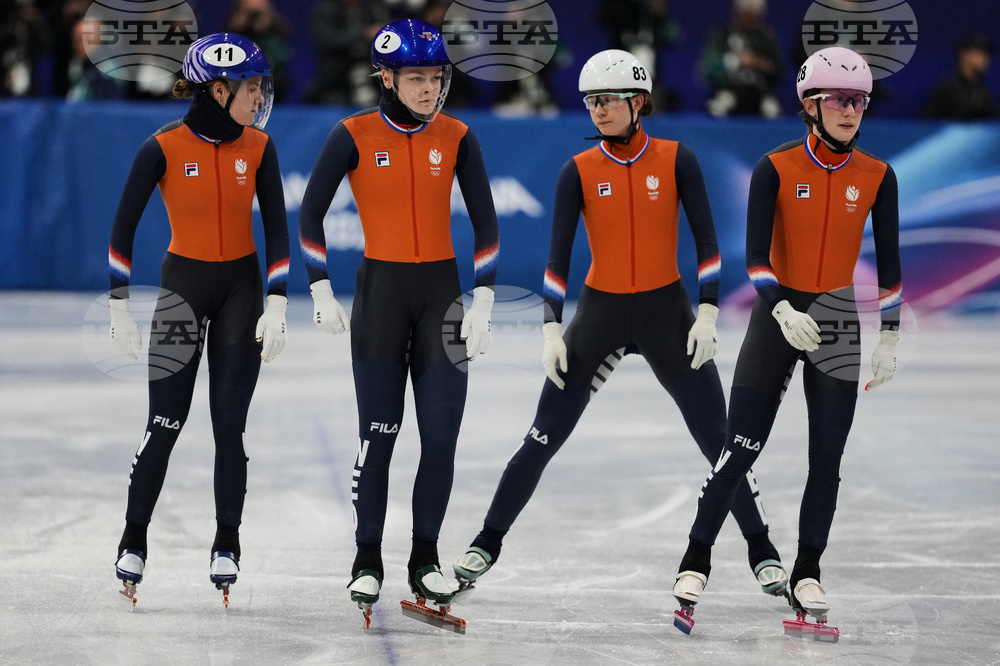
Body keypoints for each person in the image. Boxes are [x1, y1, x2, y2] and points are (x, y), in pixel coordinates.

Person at [452, 49, 787, 601]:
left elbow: (707, 244)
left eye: (606, 100)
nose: (597, 111)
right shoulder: (577, 171)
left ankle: (763, 551)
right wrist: (551, 328)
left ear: (638, 102)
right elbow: (557, 260)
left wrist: (706, 310)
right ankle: (486, 542)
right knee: (541, 437)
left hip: (669, 317)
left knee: (722, 444)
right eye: (589, 101)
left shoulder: (678, 159)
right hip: (599, 317)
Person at [672, 46, 902, 631]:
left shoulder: (878, 175)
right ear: (810, 105)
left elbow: (893, 267)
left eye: (859, 101)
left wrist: (891, 336)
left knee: (827, 458)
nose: (851, 112)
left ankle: (807, 570)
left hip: (839, 321)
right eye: (839, 101)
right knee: (739, 448)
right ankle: (696, 558)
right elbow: (752, 258)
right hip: (778, 320)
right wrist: (779, 309)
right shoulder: (775, 168)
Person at [297, 18, 500, 620]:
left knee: (440, 438)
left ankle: (424, 557)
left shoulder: (459, 135)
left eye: (436, 76)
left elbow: (486, 225)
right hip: (380, 299)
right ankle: (366, 559)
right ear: (385, 77)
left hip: (442, 301)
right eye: (416, 77)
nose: (429, 88)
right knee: (378, 437)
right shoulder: (352, 134)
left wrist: (484, 295)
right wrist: (319, 288)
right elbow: (310, 215)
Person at [108, 33, 290, 606]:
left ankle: (226, 541)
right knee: (164, 424)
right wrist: (117, 303)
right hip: (182, 292)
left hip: (241, 292)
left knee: (229, 427)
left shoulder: (260, 147)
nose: (260, 96)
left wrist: (279, 299)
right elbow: (121, 232)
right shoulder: (161, 146)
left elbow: (278, 232)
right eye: (253, 86)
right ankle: (134, 536)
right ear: (219, 88)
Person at [700, 0, 784, 118]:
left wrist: (762, 64)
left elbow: (780, 69)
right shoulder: (722, 34)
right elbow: (709, 69)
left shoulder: (766, 37)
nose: (750, 20)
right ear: (736, 12)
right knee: (717, 108)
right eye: (746, 15)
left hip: (761, 92)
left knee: (773, 111)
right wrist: (737, 61)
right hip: (728, 90)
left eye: (754, 16)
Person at [924, 34, 1000, 121]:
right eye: (979, 53)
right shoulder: (947, 88)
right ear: (963, 55)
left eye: (986, 54)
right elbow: (927, 124)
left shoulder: (980, 89)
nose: (985, 59)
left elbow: (994, 115)